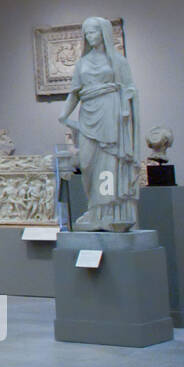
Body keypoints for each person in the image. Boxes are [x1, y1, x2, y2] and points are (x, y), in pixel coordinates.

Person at [58, 16, 140, 231]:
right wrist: (63, 114)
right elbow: (74, 93)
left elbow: (129, 88)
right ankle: (94, 209)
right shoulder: (82, 63)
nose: (89, 36)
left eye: (93, 32)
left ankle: (108, 211)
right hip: (88, 113)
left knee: (108, 163)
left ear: (103, 33)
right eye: (86, 33)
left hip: (110, 112)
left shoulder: (117, 62)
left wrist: (123, 108)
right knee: (87, 164)